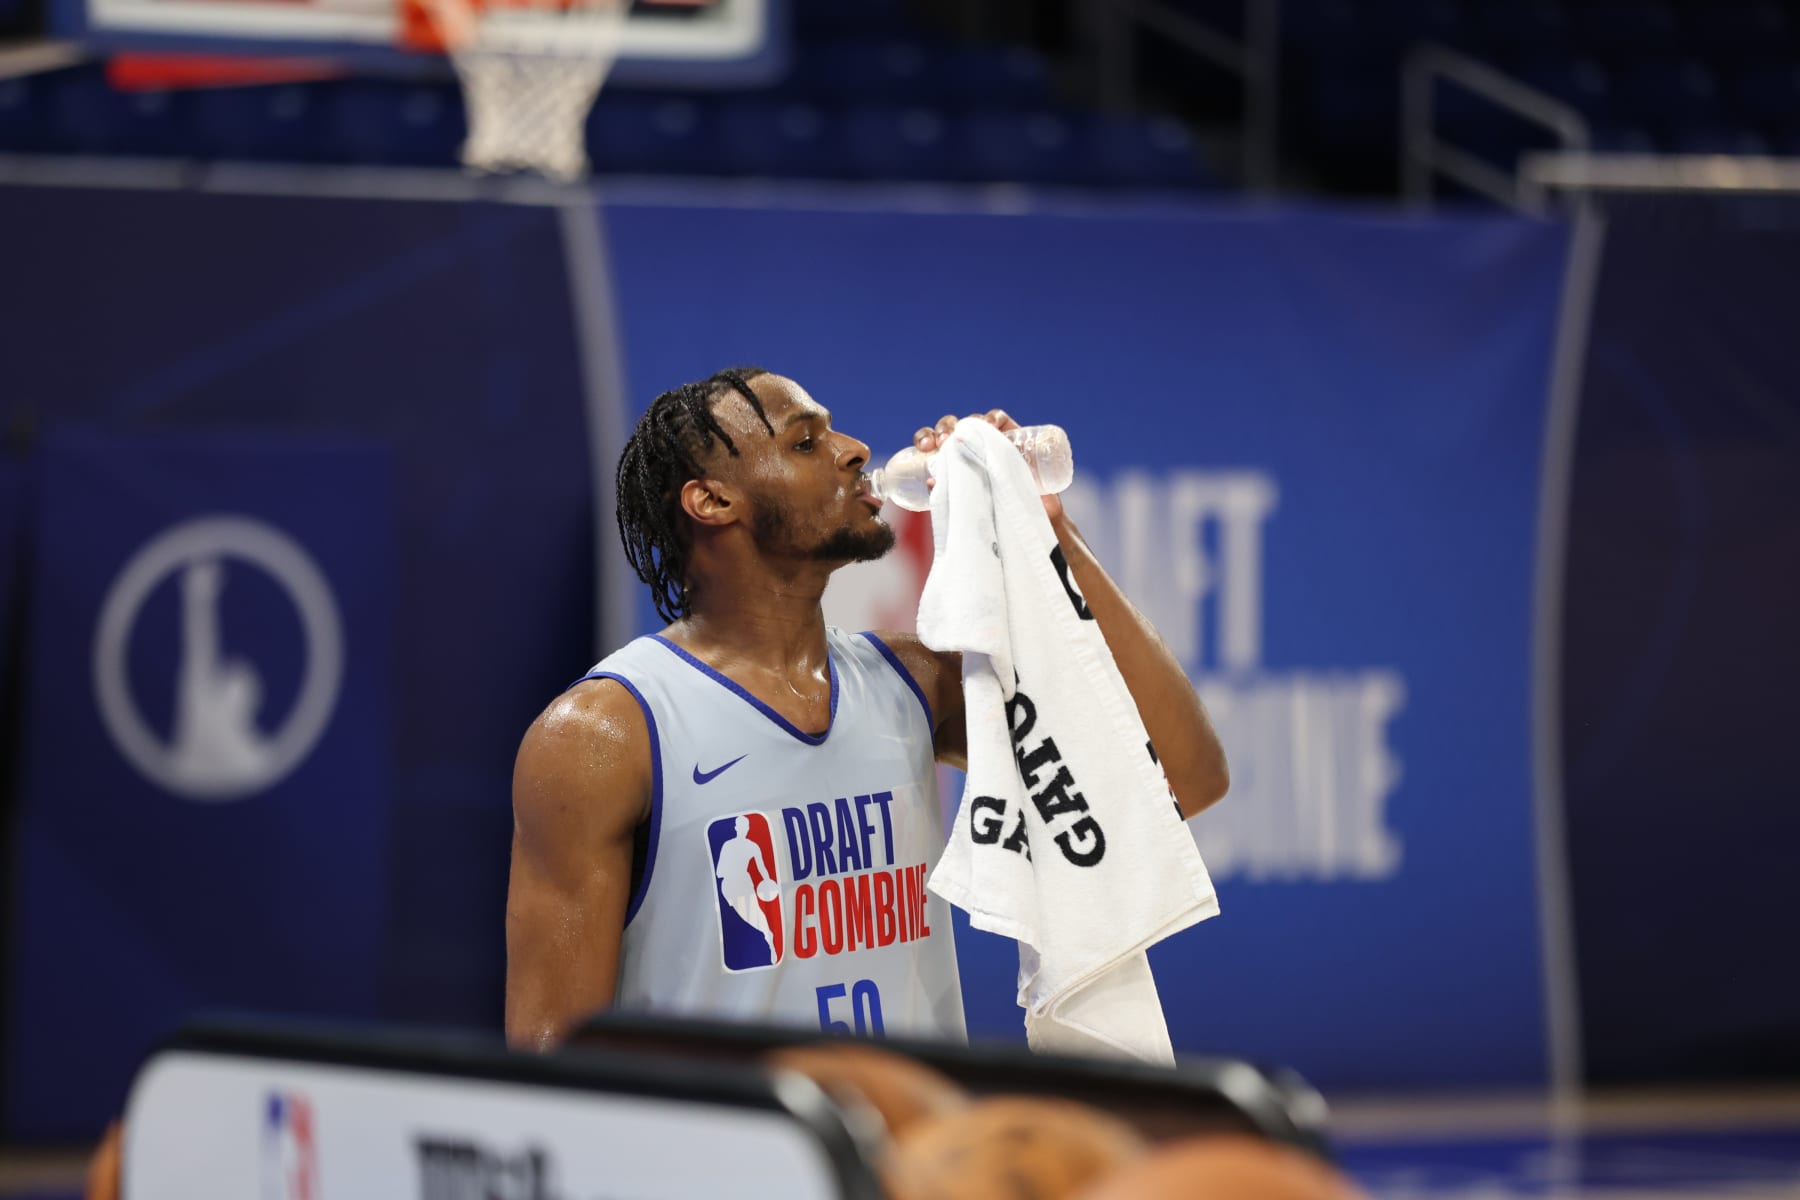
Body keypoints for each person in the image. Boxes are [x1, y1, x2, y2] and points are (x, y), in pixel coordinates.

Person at [503, 368, 1229, 1050]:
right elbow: (554, 1061)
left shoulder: (915, 682)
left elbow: (1185, 777)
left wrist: (1045, 529)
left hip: (911, 1171)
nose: (854, 453)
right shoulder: (605, 734)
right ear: (713, 500)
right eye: (806, 442)